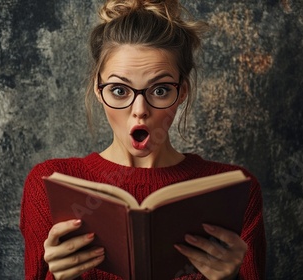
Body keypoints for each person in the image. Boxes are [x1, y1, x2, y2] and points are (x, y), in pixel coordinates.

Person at [20, 0, 266, 279]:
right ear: (99, 91)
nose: (140, 111)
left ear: (182, 92)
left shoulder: (234, 191)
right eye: (119, 90)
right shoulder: (48, 185)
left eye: (160, 90)